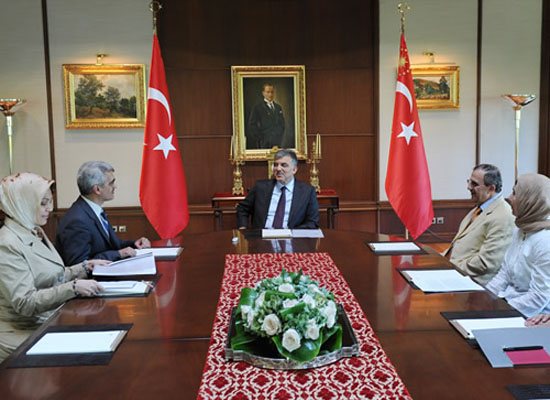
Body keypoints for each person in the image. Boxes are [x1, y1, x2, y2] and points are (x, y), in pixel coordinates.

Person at [0, 173, 107, 362]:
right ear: (22, 203)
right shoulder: (7, 244)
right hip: (20, 333)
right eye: (43, 203)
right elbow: (24, 302)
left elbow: (50, 274)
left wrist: (84, 267)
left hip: (47, 320)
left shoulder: (33, 229)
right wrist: (73, 288)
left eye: (50, 202)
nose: (50, 208)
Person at [55, 161, 150, 265]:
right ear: (97, 189)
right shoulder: (77, 221)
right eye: (111, 183)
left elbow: (111, 244)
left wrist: (134, 244)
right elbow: (80, 265)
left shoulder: (94, 210)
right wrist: (118, 254)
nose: (115, 186)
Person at [486, 173, 550, 317]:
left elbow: (538, 297)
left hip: (534, 315)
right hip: (509, 303)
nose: (509, 198)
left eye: (515, 193)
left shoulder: (546, 240)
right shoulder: (521, 228)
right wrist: (486, 297)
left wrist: (499, 311)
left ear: (530, 200)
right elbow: (504, 274)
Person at [442, 164, 515, 284]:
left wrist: (450, 268)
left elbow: (486, 263)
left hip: (471, 281)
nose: (469, 187)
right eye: (469, 182)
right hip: (453, 272)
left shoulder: (503, 215)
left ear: (491, 188)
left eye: (474, 184)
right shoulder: (479, 208)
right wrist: (438, 260)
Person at [237, 149, 319, 229]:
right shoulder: (261, 188)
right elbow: (242, 209)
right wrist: (243, 227)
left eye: (284, 165)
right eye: (276, 165)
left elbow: (312, 222)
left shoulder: (307, 192)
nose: (278, 169)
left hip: (291, 236)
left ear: (294, 170)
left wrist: (292, 233)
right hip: (262, 235)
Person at [247, 83, 285, 149]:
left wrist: (279, 135)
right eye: (268, 92)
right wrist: (260, 138)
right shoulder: (257, 107)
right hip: (263, 142)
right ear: (263, 93)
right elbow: (252, 125)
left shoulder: (278, 107)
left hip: (277, 141)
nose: (270, 95)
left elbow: (282, 124)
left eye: (272, 92)